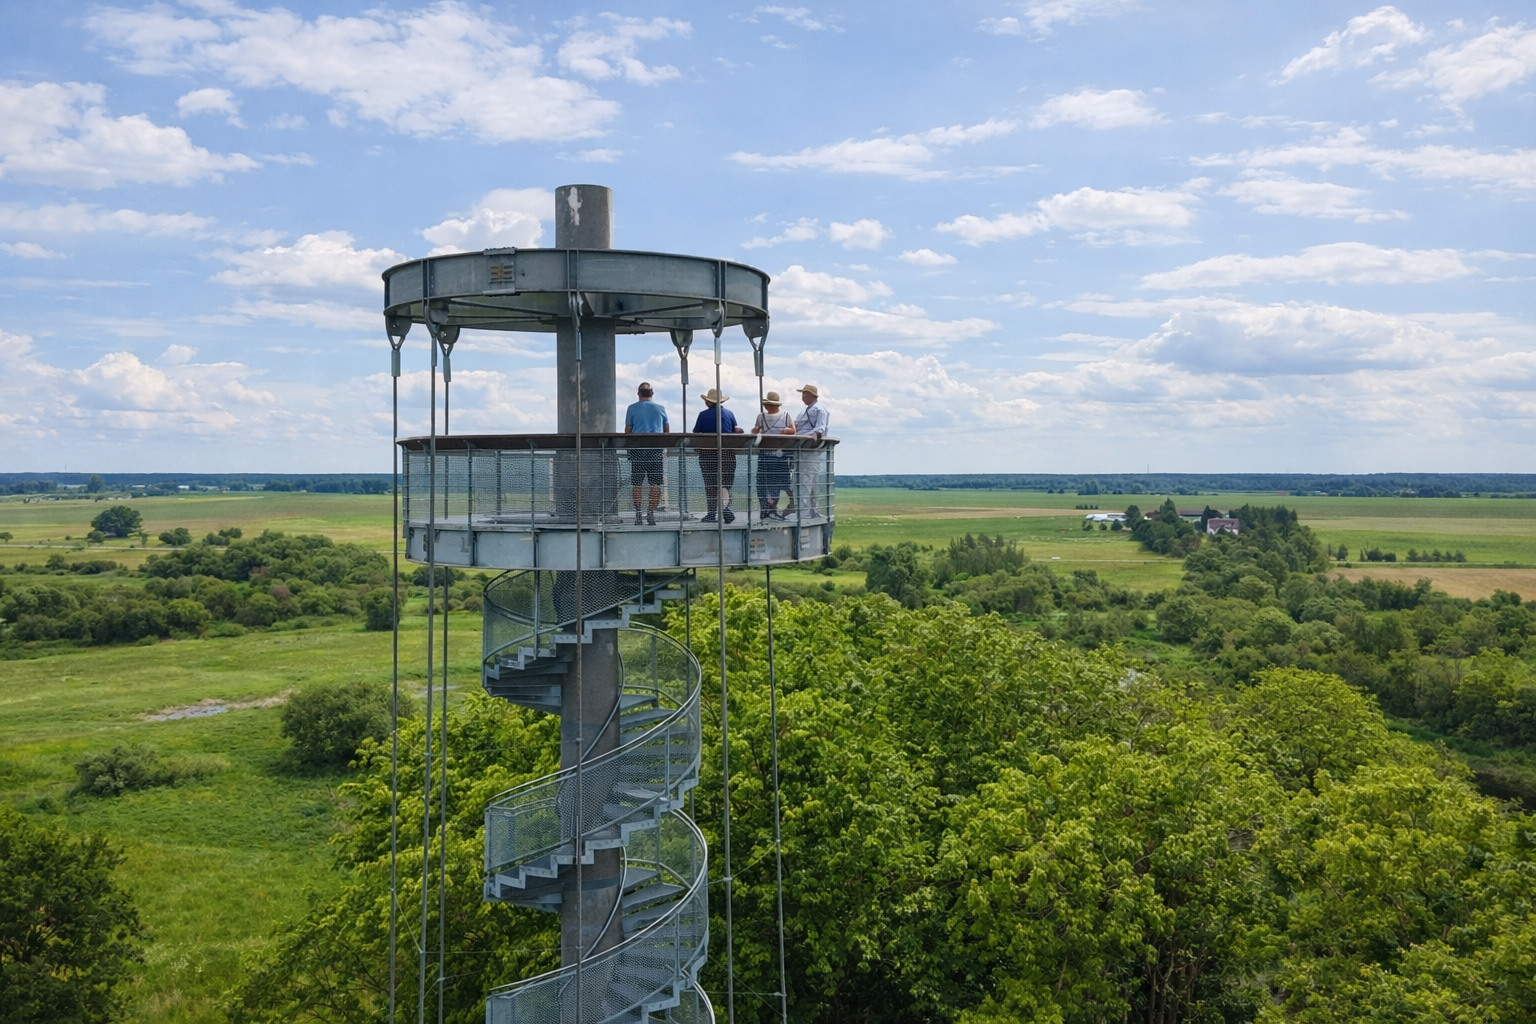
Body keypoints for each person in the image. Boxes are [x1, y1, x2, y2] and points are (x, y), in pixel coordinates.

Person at [692, 388, 742, 523]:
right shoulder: (729, 414)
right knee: (725, 484)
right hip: (727, 453)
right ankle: (725, 509)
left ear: (708, 402)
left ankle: (712, 513)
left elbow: (696, 434)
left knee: (710, 484)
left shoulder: (703, 415)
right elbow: (734, 430)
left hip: (707, 453)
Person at [624, 382, 670, 525]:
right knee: (655, 485)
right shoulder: (660, 408)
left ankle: (638, 514)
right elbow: (666, 429)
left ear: (639, 393)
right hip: (655, 450)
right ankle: (651, 514)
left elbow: (628, 430)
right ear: (652, 393)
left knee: (636, 484)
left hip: (638, 450)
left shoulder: (632, 408)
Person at [752, 391, 795, 520]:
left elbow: (755, 430)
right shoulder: (786, 415)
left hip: (767, 454)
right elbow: (793, 430)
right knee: (772, 483)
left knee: (767, 483)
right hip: (779, 454)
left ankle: (768, 509)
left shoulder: (761, 417)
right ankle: (770, 510)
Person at [793, 384, 829, 519]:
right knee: (808, 481)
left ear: (811, 395)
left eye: (805, 394)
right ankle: (810, 510)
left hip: (809, 449)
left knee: (806, 482)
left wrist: (802, 438)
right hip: (802, 449)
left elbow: (820, 428)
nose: (803, 397)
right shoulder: (805, 410)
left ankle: (804, 513)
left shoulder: (819, 409)